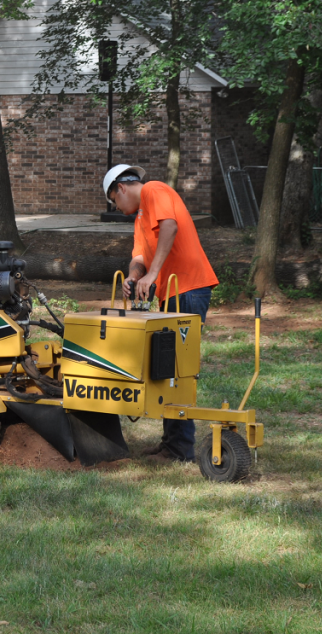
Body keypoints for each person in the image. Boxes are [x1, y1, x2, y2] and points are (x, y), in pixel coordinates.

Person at [103, 164, 219, 463]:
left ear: (122, 188)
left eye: (114, 201)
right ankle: (172, 443)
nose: (117, 207)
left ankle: (180, 449)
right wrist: (133, 276)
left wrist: (152, 275)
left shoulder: (155, 189)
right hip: (174, 292)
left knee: (179, 368)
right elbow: (139, 257)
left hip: (190, 288)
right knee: (167, 366)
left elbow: (170, 227)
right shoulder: (140, 217)